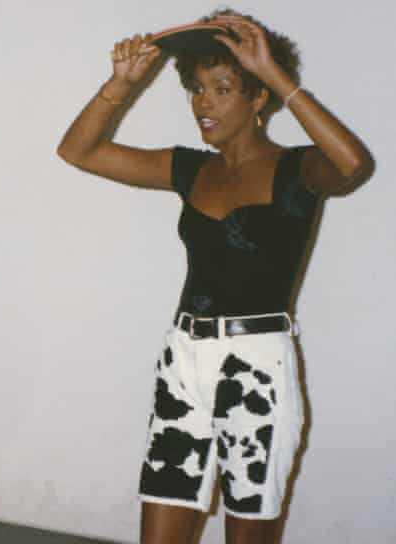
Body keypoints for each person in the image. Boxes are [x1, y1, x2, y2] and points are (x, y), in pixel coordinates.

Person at [57, 10, 371, 544]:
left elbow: (351, 164)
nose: (204, 103)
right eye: (197, 89)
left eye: (223, 89)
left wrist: (277, 75)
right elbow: (78, 151)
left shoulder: (296, 170)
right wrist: (120, 85)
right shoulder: (191, 168)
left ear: (258, 98)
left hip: (257, 370)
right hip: (184, 362)